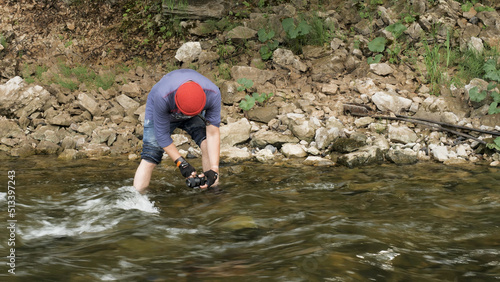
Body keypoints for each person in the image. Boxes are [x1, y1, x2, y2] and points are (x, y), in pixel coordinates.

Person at [133, 69, 221, 193]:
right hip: (164, 111)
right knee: (150, 157)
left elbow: (212, 133)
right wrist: (181, 163)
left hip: (193, 108)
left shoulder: (213, 94)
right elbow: (162, 135)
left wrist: (214, 169)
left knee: (206, 144)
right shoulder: (162, 96)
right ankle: (137, 199)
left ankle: (212, 190)